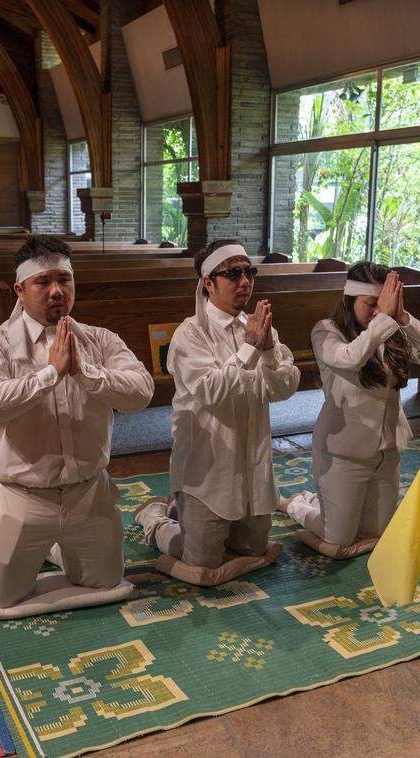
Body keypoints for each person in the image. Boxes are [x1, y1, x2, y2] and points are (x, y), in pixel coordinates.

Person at [0, 236, 154, 611]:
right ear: (19, 289)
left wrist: (84, 372)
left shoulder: (99, 340)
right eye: (43, 282)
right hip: (23, 497)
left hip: (89, 494)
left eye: (64, 280)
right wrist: (50, 373)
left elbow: (141, 393)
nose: (56, 291)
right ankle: (45, 543)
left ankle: (58, 545)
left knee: (104, 583)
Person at [134, 239, 300, 582]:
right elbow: (212, 391)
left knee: (253, 550)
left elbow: (285, 388)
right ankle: (155, 518)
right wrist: (252, 349)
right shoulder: (190, 334)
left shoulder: (258, 328)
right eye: (233, 274)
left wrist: (268, 350)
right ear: (208, 283)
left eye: (248, 272)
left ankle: (186, 515)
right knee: (203, 562)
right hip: (208, 471)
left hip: (253, 466)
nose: (245, 281)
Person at [280, 262, 420, 557]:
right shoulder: (326, 331)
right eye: (370, 304)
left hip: (387, 449)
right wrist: (383, 318)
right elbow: (349, 359)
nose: (376, 312)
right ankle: (295, 503)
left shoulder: (392, 328)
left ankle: (329, 505)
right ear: (349, 301)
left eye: (380, 305)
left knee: (378, 534)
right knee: (339, 538)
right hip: (343, 452)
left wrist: (402, 316)